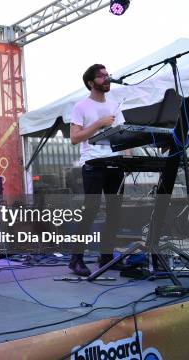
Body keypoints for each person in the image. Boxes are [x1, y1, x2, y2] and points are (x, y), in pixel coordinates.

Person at [69, 64, 125, 276]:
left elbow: (123, 136)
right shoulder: (81, 107)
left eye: (107, 74)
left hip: (115, 164)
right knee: (90, 211)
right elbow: (75, 138)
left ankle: (107, 257)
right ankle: (76, 260)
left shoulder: (115, 105)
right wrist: (99, 123)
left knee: (115, 213)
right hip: (93, 164)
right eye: (101, 76)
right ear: (91, 83)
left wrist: (127, 162)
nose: (107, 78)